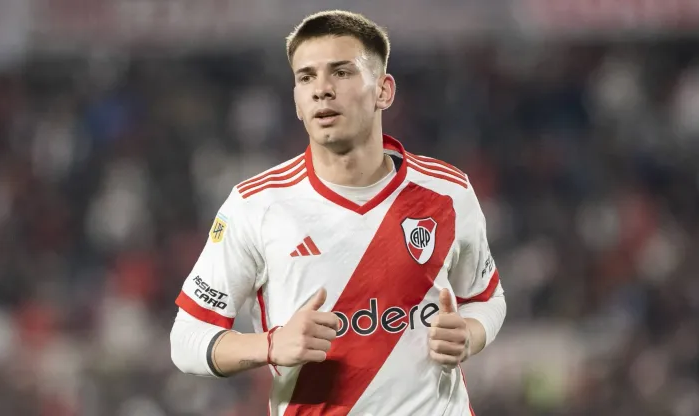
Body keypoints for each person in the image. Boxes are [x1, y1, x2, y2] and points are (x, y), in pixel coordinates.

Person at [170, 10, 506, 416]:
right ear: (296, 100)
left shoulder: (447, 191)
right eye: (306, 77)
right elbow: (186, 339)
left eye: (341, 73)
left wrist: (469, 334)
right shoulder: (256, 204)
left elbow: (487, 298)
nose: (321, 90)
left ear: (383, 91)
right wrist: (271, 345)